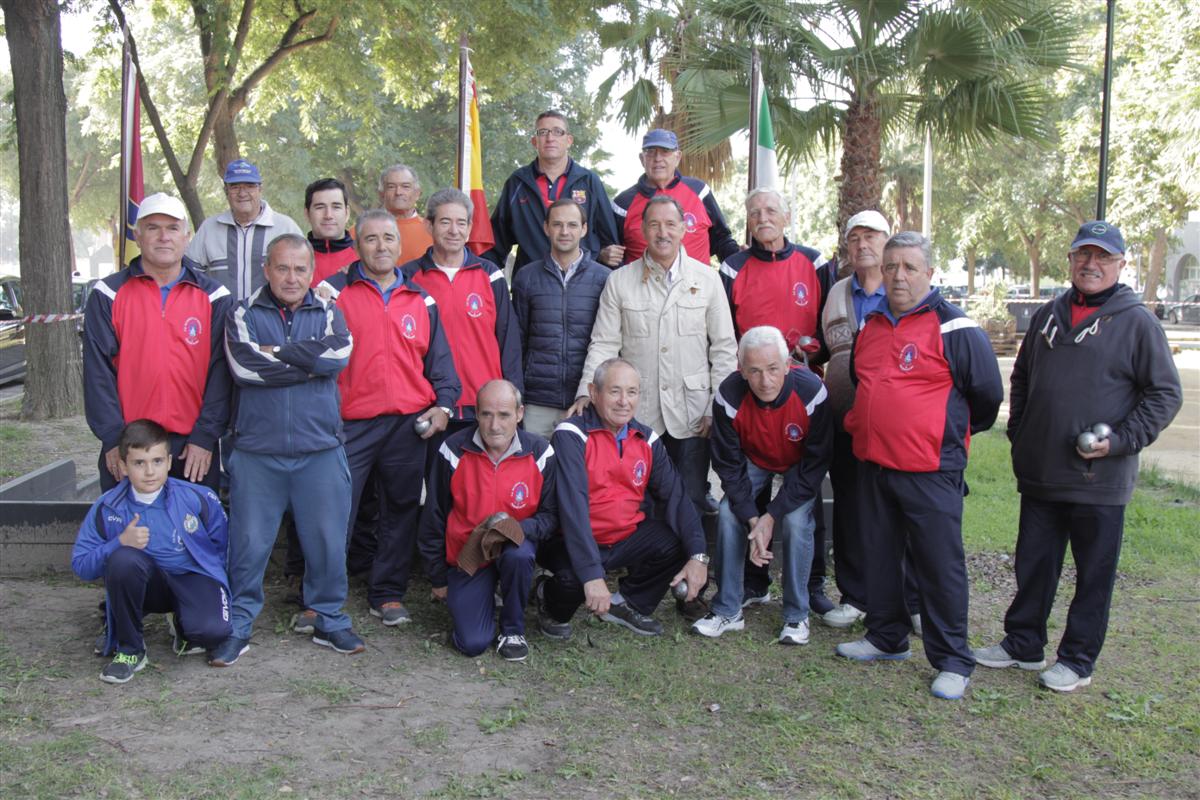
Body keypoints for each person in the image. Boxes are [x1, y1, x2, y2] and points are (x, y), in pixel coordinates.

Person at [973, 221, 1182, 692]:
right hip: (1043, 471)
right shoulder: (1049, 314)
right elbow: (1022, 378)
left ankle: (1078, 660)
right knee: (1033, 563)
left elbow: (1165, 394)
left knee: (1093, 575)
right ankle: (1023, 643)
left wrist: (1123, 440)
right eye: (1083, 255)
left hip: (1099, 478)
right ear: (1069, 260)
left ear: (1120, 265)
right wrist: (1022, 433)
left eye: (1103, 257)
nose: (1091, 265)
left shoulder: (1137, 322)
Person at [835, 231, 1003, 701]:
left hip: (930, 469)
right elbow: (861, 383)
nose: (898, 276)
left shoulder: (956, 327)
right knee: (880, 556)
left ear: (929, 272)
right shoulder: (871, 326)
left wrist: (944, 437)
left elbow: (987, 398)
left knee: (938, 565)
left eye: (909, 267)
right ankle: (887, 637)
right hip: (874, 465)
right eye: (891, 267)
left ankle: (953, 659)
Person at [210, 234, 365, 666]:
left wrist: (275, 352)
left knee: (329, 543)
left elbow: (338, 357)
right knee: (248, 544)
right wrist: (307, 363)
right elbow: (245, 368)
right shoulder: (241, 312)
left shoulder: (330, 310)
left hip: (320, 452)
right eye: (282, 268)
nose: (291, 277)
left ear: (311, 272)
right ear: (267, 270)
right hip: (258, 454)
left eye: (300, 269)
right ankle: (238, 623)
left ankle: (329, 617)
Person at [574, 196, 736, 602]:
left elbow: (723, 349)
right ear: (642, 231)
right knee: (640, 500)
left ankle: (692, 585)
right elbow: (604, 344)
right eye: (654, 225)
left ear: (685, 229)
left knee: (693, 498)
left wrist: (719, 406)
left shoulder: (708, 278)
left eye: (671, 225)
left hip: (692, 412)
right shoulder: (621, 281)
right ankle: (644, 584)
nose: (663, 232)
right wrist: (585, 391)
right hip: (638, 415)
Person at [322, 209, 460, 626]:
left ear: (400, 246)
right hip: (350, 424)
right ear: (357, 244)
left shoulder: (421, 299)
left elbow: (443, 369)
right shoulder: (334, 293)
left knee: (400, 510)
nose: (381, 246)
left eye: (388, 238)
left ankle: (387, 593)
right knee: (335, 509)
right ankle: (324, 595)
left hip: (407, 425)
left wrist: (444, 407)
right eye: (370, 239)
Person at [718, 187, 836, 613]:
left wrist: (813, 350)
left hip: (802, 390)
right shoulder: (732, 268)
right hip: (752, 389)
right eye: (754, 213)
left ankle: (813, 584)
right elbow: (724, 329)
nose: (762, 218)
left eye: (770, 211)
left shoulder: (815, 262)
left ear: (787, 216)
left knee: (807, 494)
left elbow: (830, 323)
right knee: (754, 482)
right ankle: (754, 582)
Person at [542, 358, 709, 637]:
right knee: (571, 582)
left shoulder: (646, 438)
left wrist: (699, 556)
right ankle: (547, 599)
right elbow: (573, 509)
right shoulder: (571, 434)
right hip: (569, 539)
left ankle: (627, 604)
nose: (624, 401)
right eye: (614, 391)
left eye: (631, 392)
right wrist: (592, 575)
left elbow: (677, 498)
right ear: (593, 393)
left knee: (680, 539)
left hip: (622, 537)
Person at [692, 326, 832, 644]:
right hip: (753, 458)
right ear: (742, 370)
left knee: (796, 521)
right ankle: (728, 608)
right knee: (729, 512)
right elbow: (728, 465)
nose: (765, 381)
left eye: (772, 369)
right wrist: (754, 519)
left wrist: (771, 516)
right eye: (754, 371)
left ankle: (797, 616)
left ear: (787, 366)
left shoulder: (812, 392)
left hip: (799, 462)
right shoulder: (729, 394)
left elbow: (814, 466)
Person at [84, 192, 231, 493]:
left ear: (187, 237)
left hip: (192, 448)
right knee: (130, 537)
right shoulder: (107, 294)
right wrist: (113, 439)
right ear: (137, 235)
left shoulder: (215, 297)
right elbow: (97, 373)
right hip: (130, 447)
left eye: (173, 228)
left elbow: (221, 374)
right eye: (153, 228)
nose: (164, 237)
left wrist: (205, 437)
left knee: (195, 537)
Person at [72, 419, 231, 684]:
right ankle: (131, 650)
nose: (149, 472)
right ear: (123, 466)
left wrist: (216, 586)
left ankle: (183, 621)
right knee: (123, 560)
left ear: (169, 462)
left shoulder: (197, 497)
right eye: (139, 463)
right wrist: (119, 542)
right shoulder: (108, 506)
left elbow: (222, 545)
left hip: (190, 578)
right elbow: (81, 565)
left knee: (212, 633)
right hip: (146, 584)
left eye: (157, 461)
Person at [419, 380, 558, 661]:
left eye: (504, 415)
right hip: (468, 555)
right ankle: (480, 599)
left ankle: (512, 628)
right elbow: (433, 516)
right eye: (486, 414)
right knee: (471, 643)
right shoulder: (453, 450)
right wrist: (437, 576)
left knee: (519, 555)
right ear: (476, 414)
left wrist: (515, 529)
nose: (495, 425)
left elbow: (551, 517)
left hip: (514, 548)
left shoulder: (540, 452)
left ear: (519, 414)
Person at [819, 209, 892, 629]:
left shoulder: (904, 289)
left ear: (887, 240)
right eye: (854, 239)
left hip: (892, 424)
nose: (862, 245)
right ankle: (854, 594)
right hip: (844, 420)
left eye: (871, 237)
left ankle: (905, 597)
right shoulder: (837, 293)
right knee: (848, 508)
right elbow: (827, 351)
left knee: (893, 508)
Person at [404, 188, 522, 427]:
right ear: (429, 225)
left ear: (469, 228)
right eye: (445, 222)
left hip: (485, 407)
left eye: (461, 223)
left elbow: (509, 342)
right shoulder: (408, 278)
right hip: (430, 405)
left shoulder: (490, 275)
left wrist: (515, 397)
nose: (454, 231)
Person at [511, 198, 610, 437]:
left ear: (584, 229)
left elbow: (610, 341)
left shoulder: (605, 278)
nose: (564, 231)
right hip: (537, 402)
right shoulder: (527, 277)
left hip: (586, 402)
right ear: (546, 228)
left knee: (580, 473)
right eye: (557, 224)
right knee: (537, 470)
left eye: (572, 225)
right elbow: (517, 341)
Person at [486, 110, 619, 275]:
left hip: (582, 283)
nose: (550, 138)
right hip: (531, 283)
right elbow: (497, 239)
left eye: (557, 132)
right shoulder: (518, 182)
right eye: (543, 132)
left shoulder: (589, 181)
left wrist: (602, 257)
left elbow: (610, 242)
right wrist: (481, 276)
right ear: (534, 141)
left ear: (569, 140)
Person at [603, 128, 738, 267]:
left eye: (665, 151)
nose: (657, 159)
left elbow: (722, 240)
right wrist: (603, 255)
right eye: (650, 152)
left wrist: (742, 261)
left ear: (677, 157)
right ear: (642, 159)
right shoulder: (622, 204)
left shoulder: (699, 191)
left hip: (696, 286)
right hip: (642, 286)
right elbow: (609, 251)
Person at [185, 159, 303, 301]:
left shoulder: (285, 227)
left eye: (249, 186)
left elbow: (303, 273)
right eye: (235, 187)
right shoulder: (209, 228)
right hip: (220, 320)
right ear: (226, 191)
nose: (242, 193)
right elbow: (190, 276)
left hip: (273, 320)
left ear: (260, 189)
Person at [305, 177, 357, 284]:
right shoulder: (293, 259)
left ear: (347, 213)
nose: (328, 215)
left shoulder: (366, 260)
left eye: (336, 207)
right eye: (320, 207)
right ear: (307, 214)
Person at [379, 164, 433, 265]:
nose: (398, 192)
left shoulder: (432, 231)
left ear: (417, 193)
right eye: (391, 187)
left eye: (405, 186)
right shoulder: (362, 230)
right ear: (381, 194)